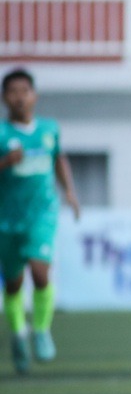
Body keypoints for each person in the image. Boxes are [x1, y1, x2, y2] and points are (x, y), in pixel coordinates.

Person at [0, 69, 80, 374]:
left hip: (42, 213)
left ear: (34, 95)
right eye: (13, 91)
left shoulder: (49, 129)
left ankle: (41, 330)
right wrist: (6, 163)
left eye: (25, 90)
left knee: (40, 271)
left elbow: (58, 158)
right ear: (5, 97)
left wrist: (70, 192)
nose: (20, 97)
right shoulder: (2, 134)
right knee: (13, 282)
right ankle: (18, 334)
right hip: (7, 219)